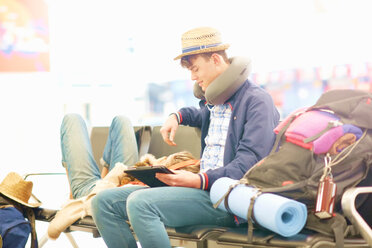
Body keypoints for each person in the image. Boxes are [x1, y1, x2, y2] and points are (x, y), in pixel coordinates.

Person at [90, 26, 280, 248]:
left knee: (141, 204)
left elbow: (249, 163)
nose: (193, 77)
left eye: (196, 69)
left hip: (228, 199)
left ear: (216, 60)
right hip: (201, 189)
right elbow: (199, 115)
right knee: (103, 203)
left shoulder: (257, 102)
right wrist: (177, 116)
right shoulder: (215, 101)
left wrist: (200, 180)